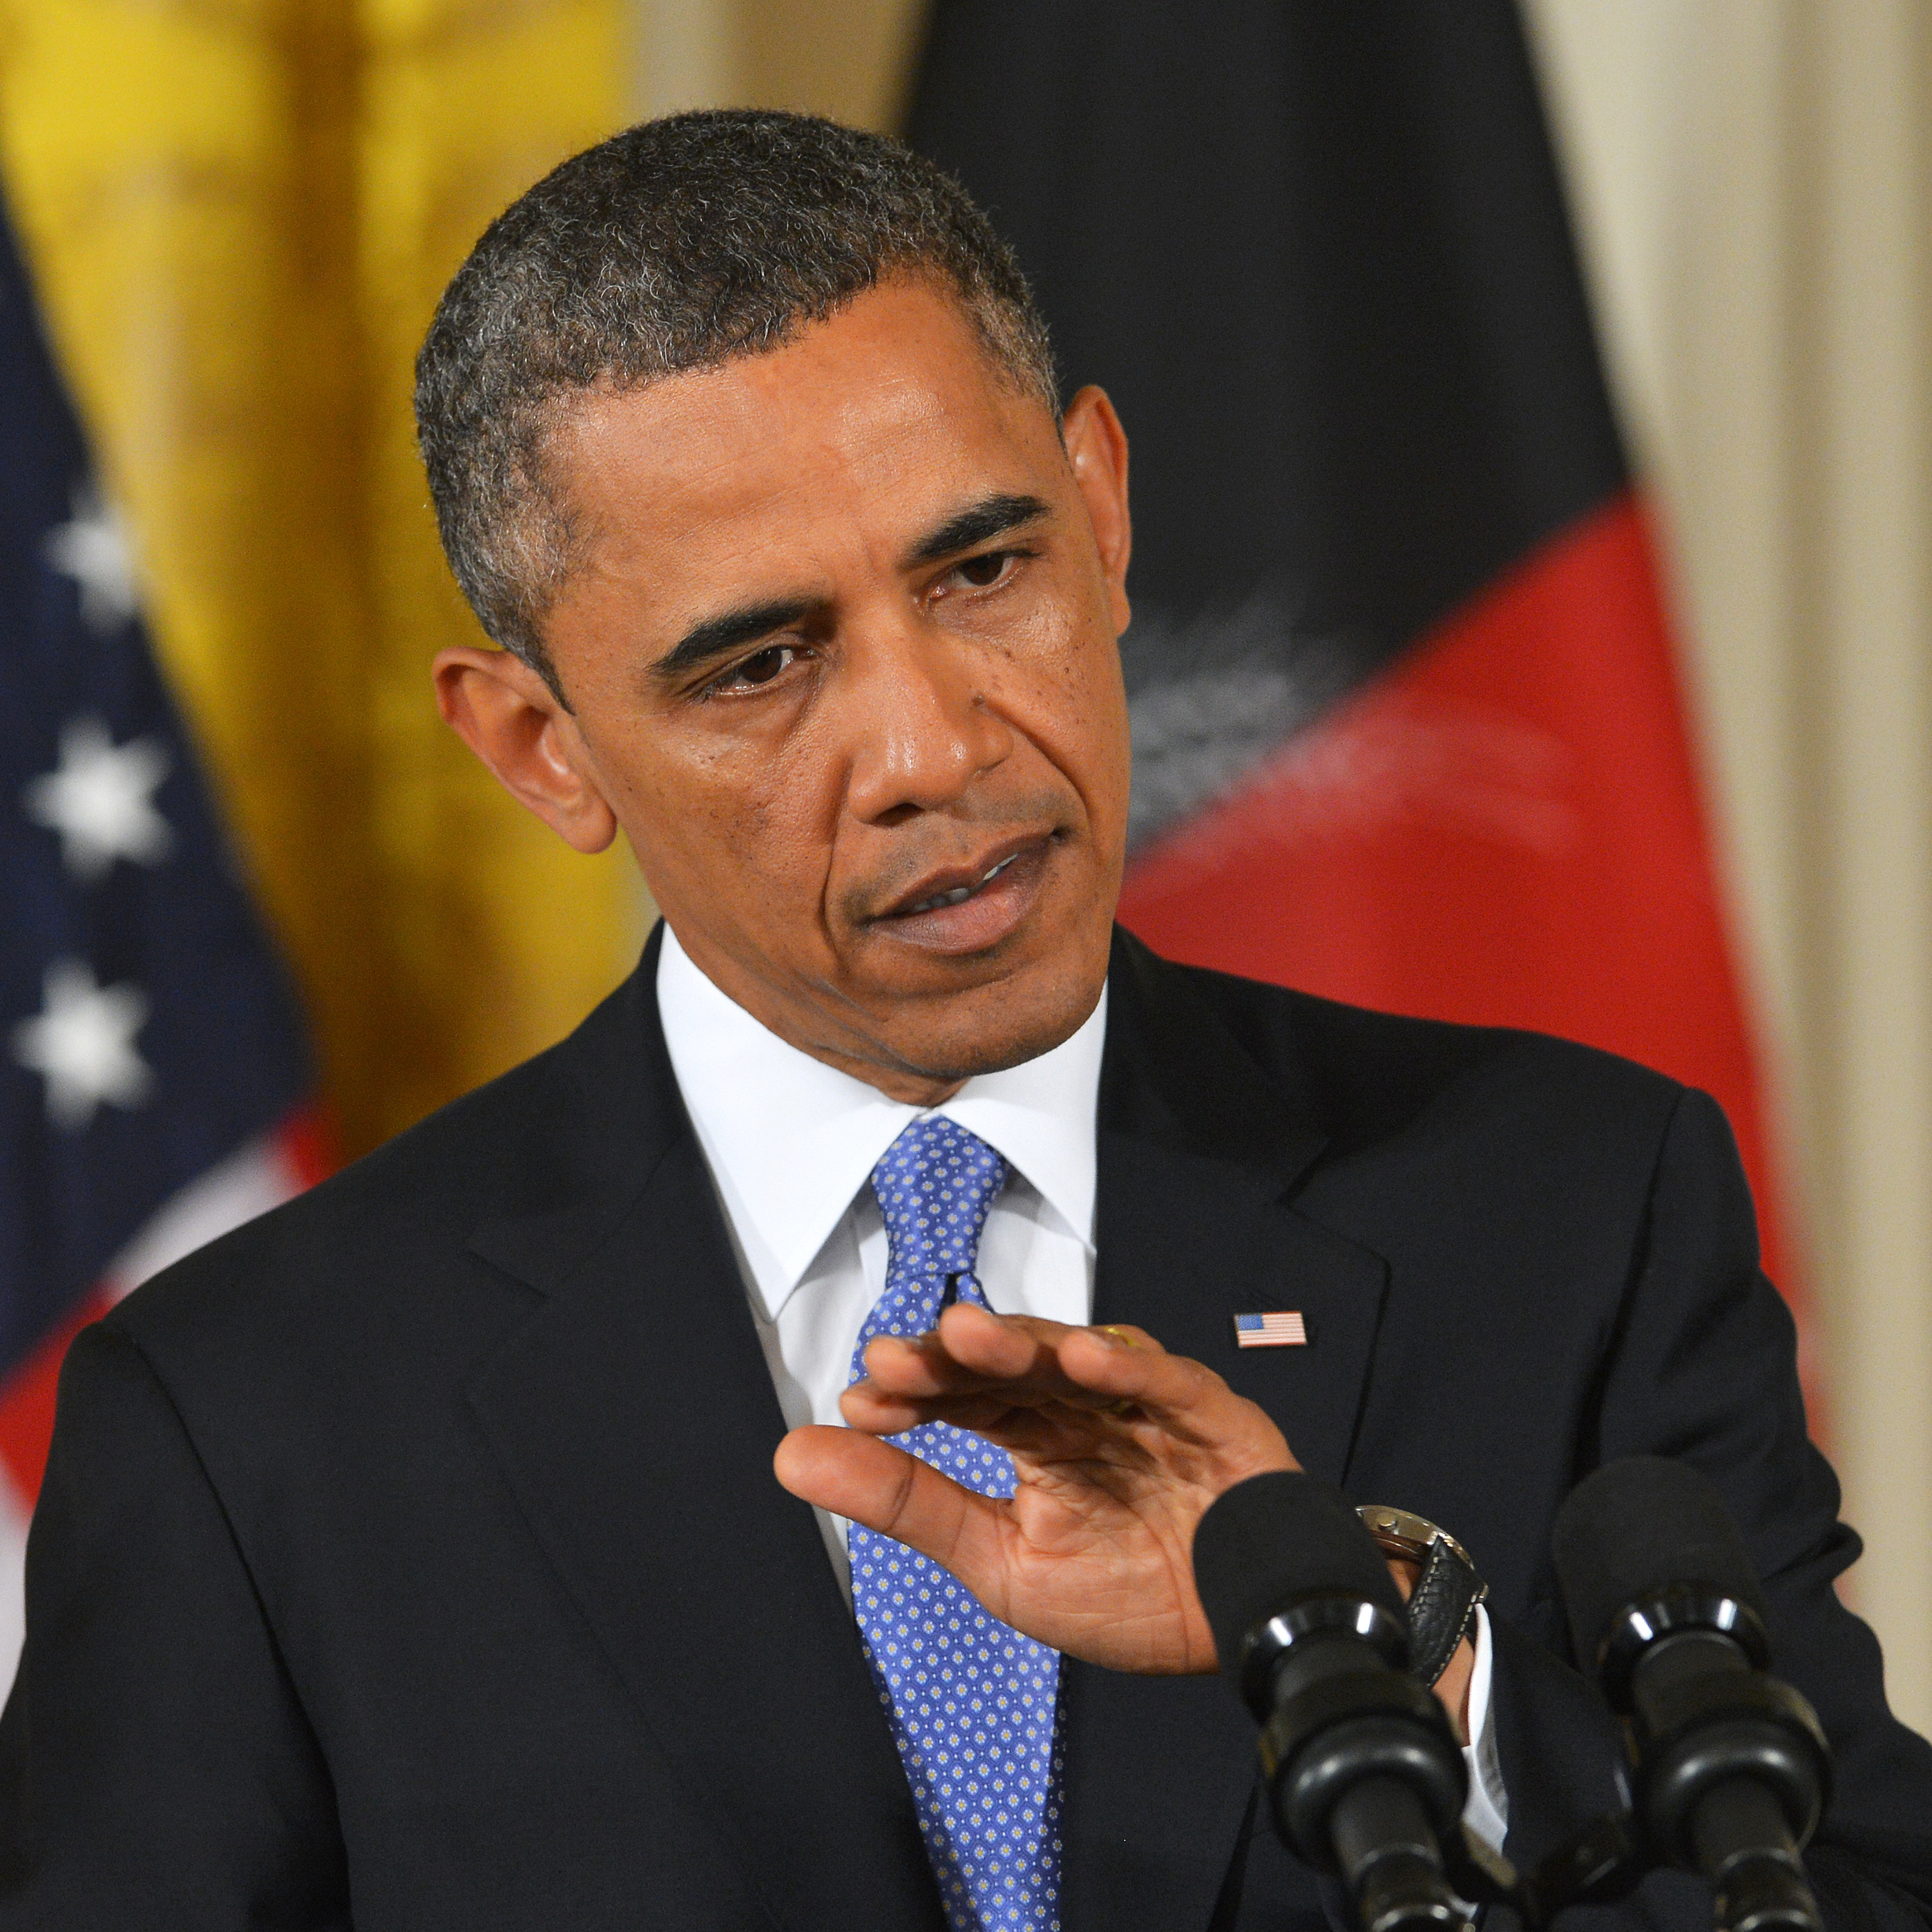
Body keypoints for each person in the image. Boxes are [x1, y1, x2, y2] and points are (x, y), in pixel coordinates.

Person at [1, 108, 1928, 1932]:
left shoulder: (1566, 1208)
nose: (932, 747)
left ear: (1100, 505)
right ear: (538, 747)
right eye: (759, 665)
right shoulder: (254, 1419)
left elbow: (1852, 1890)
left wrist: (1397, 1656)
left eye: (982, 568)